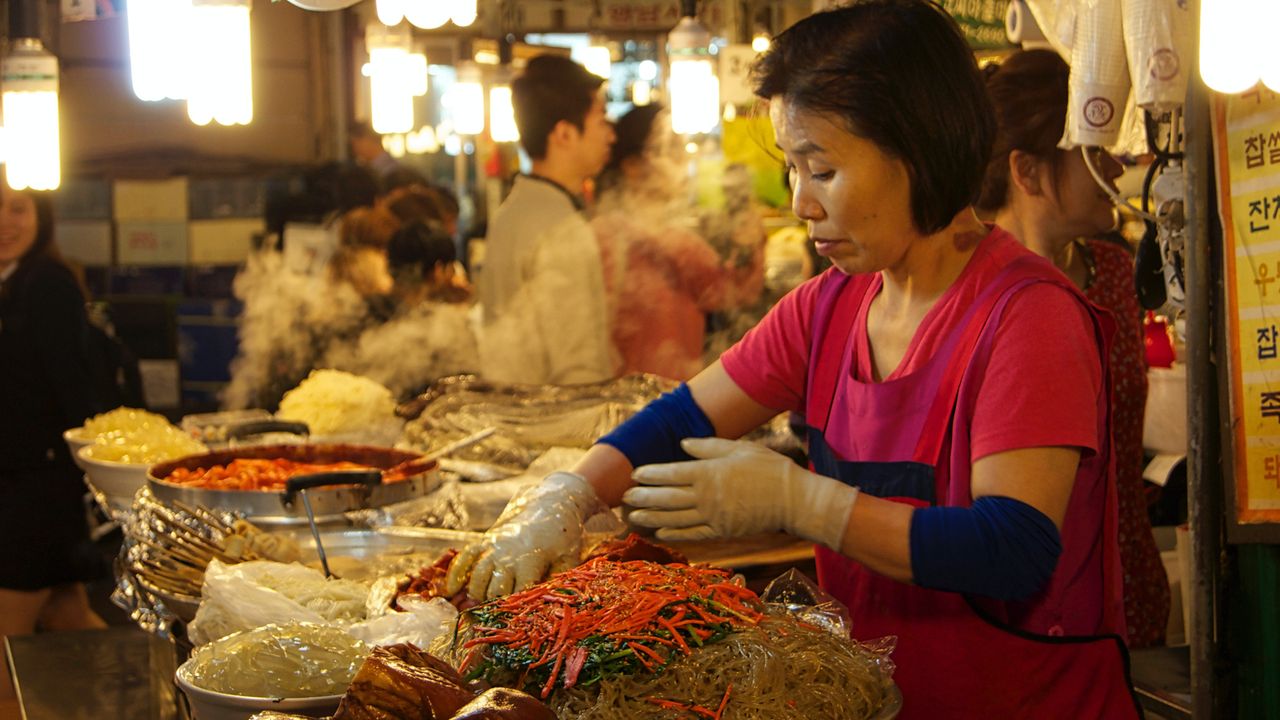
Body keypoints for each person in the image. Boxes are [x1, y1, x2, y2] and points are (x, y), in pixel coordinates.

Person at [445, 3, 1140, 717]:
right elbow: (680, 417)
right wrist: (566, 498)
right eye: (793, 168)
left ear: (921, 150)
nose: (802, 202)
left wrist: (802, 502)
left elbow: (1012, 547)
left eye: (825, 169)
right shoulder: (830, 306)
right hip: (880, 701)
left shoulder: (1029, 316)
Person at [978, 48, 1170, 648]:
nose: (1116, 170)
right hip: (1022, 596)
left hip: (1129, 576)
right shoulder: (975, 290)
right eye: (1096, 153)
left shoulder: (1114, 271)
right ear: (1028, 172)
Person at [0, 186, 108, 700]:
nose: (4, 221)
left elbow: (73, 386)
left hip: (36, 484)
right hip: (23, 477)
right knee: (67, 615)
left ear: (41, 218)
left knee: (6, 640)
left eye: (17, 209)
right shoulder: (10, 281)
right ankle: (158, 702)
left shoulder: (45, 283)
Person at [592, 104, 764, 380]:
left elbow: (731, 292)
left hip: (669, 397)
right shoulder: (612, 237)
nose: (684, 159)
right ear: (633, 166)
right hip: (635, 402)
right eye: (671, 149)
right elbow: (734, 291)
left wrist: (748, 246)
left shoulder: (674, 237)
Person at [478, 54, 617, 385]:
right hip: (554, 424)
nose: (610, 135)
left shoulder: (510, 213)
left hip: (510, 414)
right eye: (601, 120)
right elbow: (579, 368)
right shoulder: (563, 230)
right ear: (565, 134)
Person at [323, 221, 478, 398]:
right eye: (451, 269)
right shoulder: (447, 328)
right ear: (438, 270)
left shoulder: (358, 311)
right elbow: (467, 391)